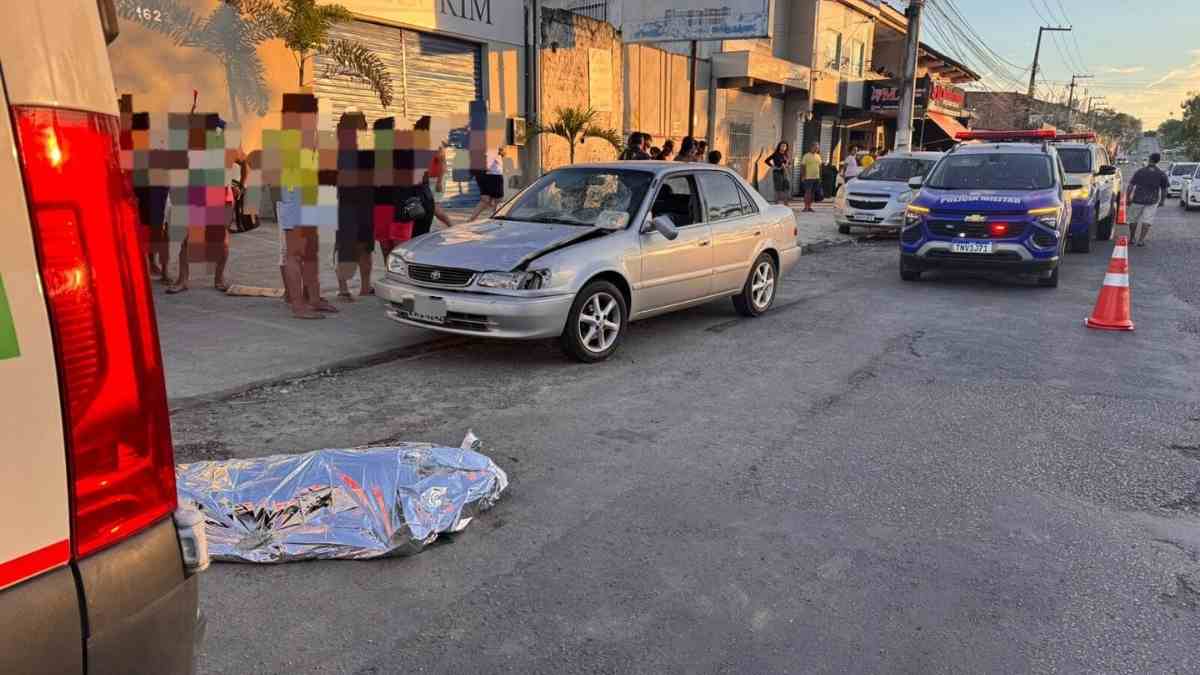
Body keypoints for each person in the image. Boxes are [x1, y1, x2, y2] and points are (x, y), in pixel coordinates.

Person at [334, 110, 374, 301]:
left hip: (348, 204)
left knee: (350, 247)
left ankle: (346, 289)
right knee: (362, 248)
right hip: (359, 203)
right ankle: (362, 288)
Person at [1126, 152, 1170, 246]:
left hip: (1137, 199)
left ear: (1149, 159)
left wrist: (1128, 198)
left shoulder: (1140, 171)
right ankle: (1141, 240)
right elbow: (1164, 189)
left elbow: (1130, 186)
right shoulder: (1161, 174)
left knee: (1133, 219)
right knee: (1147, 220)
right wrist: (1162, 201)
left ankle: (1132, 238)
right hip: (1152, 201)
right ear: (1158, 161)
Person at [469, 145, 506, 221]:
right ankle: (495, 219)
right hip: (493, 176)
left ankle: (472, 219)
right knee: (498, 200)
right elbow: (487, 164)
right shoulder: (492, 148)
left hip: (485, 176)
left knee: (485, 200)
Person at [800, 144, 823, 213]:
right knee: (807, 192)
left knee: (813, 193)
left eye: (817, 148)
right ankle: (805, 207)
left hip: (816, 177)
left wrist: (820, 177)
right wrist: (803, 176)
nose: (816, 149)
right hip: (808, 177)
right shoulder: (806, 155)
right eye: (815, 148)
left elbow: (820, 167)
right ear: (811, 147)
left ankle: (810, 207)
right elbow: (803, 166)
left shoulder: (818, 156)